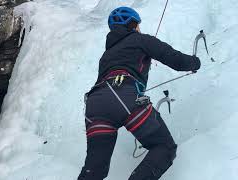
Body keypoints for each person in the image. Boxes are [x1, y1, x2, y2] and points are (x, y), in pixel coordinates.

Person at [77, 6, 201, 180]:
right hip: (123, 96)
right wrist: (195, 63)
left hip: (95, 104)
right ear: (133, 25)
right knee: (164, 147)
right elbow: (174, 58)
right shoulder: (139, 40)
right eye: (138, 25)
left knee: (95, 170)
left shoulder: (106, 55)